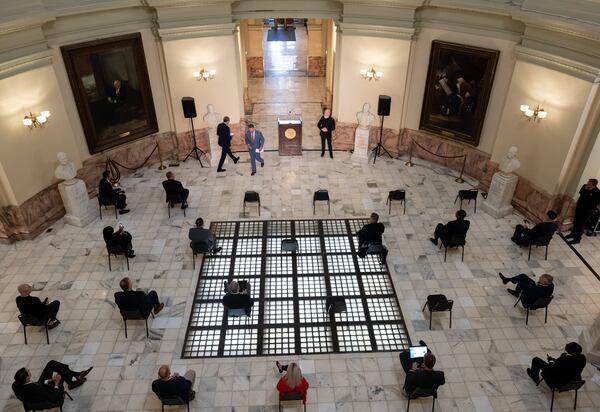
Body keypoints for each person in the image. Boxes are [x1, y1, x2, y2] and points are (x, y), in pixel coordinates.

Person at [12, 361, 92, 406]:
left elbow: (36, 384)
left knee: (51, 364)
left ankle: (76, 376)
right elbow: (55, 399)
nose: (29, 370)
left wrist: (49, 380)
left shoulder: (16, 384)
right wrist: (56, 383)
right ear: (27, 378)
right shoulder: (36, 389)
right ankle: (73, 380)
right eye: (28, 372)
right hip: (46, 394)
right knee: (60, 375)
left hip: (39, 387)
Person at [565, 178, 600, 244]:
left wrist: (587, 193)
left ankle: (577, 239)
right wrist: (586, 190)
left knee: (580, 224)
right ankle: (572, 234)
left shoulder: (597, 192)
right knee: (575, 221)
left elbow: (596, 203)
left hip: (587, 211)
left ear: (593, 185)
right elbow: (581, 194)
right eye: (588, 182)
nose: (587, 184)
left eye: (589, 183)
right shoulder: (584, 186)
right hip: (579, 208)